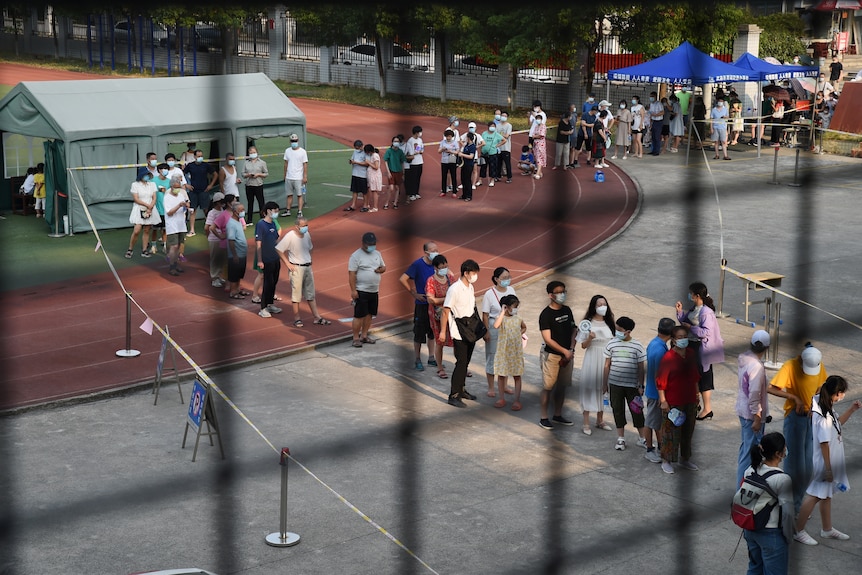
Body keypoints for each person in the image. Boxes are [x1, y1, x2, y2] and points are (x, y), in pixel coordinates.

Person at [794, 376, 862, 546]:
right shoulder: (823, 416)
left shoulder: (825, 406)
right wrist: (829, 469)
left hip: (829, 461)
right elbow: (824, 444)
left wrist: (851, 410)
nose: (843, 396)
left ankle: (827, 529)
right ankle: (797, 530)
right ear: (836, 393)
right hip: (825, 463)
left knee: (826, 495)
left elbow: (837, 425)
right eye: (842, 393)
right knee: (815, 495)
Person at [768, 344, 828, 512]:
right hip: (795, 419)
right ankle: (790, 509)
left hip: (811, 419)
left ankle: (797, 505)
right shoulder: (790, 366)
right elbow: (770, 388)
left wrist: (816, 405)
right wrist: (794, 397)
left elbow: (820, 387)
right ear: (801, 359)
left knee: (808, 467)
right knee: (794, 468)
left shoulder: (817, 364)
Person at [741, 432, 793, 574]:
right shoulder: (782, 479)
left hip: (750, 529)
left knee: (754, 569)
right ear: (778, 453)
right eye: (784, 448)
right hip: (771, 534)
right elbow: (787, 514)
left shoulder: (750, 470)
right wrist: (788, 537)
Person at [676, 281, 725, 421]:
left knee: (704, 377)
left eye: (691, 293)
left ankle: (707, 408)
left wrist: (690, 328)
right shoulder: (694, 309)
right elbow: (685, 321)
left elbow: (706, 332)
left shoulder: (706, 312)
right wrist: (680, 312)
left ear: (697, 295)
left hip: (700, 348)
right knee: (693, 376)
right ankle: (695, 403)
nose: (689, 295)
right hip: (691, 346)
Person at [656, 324, 701, 474]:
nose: (683, 340)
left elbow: (695, 375)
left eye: (685, 337)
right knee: (670, 432)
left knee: (688, 431)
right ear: (674, 340)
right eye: (679, 337)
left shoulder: (690, 353)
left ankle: (685, 458)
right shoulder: (668, 358)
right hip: (673, 402)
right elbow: (661, 382)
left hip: (689, 399)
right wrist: (663, 401)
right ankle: (666, 460)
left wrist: (697, 393)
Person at [438, 259, 481, 408]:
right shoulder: (454, 289)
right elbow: (446, 311)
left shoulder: (470, 287)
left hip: (471, 328)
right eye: (473, 273)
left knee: (466, 362)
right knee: (461, 363)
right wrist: (443, 331)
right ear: (466, 273)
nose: (475, 276)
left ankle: (462, 389)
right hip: (459, 331)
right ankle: (454, 395)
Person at [276, 216, 330, 327]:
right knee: (296, 295)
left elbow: (310, 247)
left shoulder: (307, 235)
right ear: (297, 227)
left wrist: (310, 259)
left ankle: (317, 317)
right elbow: (279, 249)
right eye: (303, 226)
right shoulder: (290, 236)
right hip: (296, 268)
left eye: (306, 225)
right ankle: (297, 318)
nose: (305, 228)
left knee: (310, 293)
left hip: (307, 267)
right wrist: (287, 263)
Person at [603, 316, 647, 451]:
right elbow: (607, 365)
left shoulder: (637, 346)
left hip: (632, 387)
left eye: (619, 330)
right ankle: (621, 438)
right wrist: (604, 384)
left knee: (637, 411)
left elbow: (641, 368)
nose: (617, 332)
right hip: (615, 385)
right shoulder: (611, 344)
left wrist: (641, 385)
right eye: (616, 329)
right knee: (617, 410)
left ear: (628, 331)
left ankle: (642, 439)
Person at [537, 280, 576, 429]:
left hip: (568, 356)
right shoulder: (545, 315)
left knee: (562, 386)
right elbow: (547, 339)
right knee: (548, 387)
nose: (562, 295)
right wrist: (564, 351)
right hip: (552, 356)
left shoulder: (567, 310)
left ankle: (558, 415)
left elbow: (574, 329)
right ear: (551, 295)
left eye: (563, 292)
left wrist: (571, 348)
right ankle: (544, 417)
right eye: (559, 292)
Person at [736, 330, 772, 488]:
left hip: (743, 411)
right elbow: (755, 393)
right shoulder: (756, 366)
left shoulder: (745, 358)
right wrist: (757, 417)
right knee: (749, 455)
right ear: (767, 348)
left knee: (746, 449)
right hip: (752, 415)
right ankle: (742, 488)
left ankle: (744, 485)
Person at [577, 295, 616, 435]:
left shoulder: (610, 322)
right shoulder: (587, 323)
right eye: (599, 304)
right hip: (592, 358)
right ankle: (586, 422)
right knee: (589, 388)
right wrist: (589, 338)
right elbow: (583, 345)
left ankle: (600, 420)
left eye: (604, 304)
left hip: (606, 360)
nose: (602, 307)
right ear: (593, 306)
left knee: (603, 388)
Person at [399, 242, 439, 371]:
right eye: (432, 250)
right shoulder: (417, 265)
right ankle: (417, 359)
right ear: (426, 252)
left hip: (433, 304)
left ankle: (431, 358)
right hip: (422, 305)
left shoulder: (437, 263)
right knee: (419, 333)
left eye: (436, 250)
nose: (435, 252)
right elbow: (403, 279)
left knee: (432, 332)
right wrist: (414, 293)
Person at [644, 318, 676, 464]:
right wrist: (661, 397)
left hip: (652, 390)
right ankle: (650, 449)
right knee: (652, 423)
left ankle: (656, 446)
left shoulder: (654, 343)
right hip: (655, 393)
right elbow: (660, 376)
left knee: (654, 422)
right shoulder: (661, 351)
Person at [481, 266, 516, 397]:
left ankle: (505, 385)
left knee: (506, 357)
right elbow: (485, 314)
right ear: (496, 279)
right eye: (504, 278)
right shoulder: (489, 294)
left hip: (508, 328)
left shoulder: (511, 290)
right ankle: (491, 387)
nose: (507, 280)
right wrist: (486, 331)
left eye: (509, 277)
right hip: (494, 328)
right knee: (492, 356)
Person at [348, 232, 386, 347]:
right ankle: (355, 337)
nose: (372, 246)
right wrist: (353, 290)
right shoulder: (356, 256)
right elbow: (352, 274)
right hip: (361, 290)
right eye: (370, 244)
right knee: (359, 315)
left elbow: (383, 267)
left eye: (374, 243)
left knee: (370, 314)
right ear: (363, 243)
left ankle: (364, 335)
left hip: (374, 290)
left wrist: (381, 270)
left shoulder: (377, 253)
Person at [492, 294, 526, 411]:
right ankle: (501, 398)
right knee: (501, 375)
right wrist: (502, 312)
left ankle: (517, 400)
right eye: (514, 307)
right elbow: (496, 325)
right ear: (506, 307)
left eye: (517, 307)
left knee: (517, 375)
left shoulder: (518, 319)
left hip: (515, 352)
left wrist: (519, 334)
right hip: (503, 351)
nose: (515, 309)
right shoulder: (501, 318)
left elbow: (524, 327)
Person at [426, 254, 456, 379]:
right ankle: (440, 367)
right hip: (437, 315)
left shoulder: (450, 278)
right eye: (442, 267)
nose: (445, 268)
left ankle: (461, 367)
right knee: (440, 340)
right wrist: (446, 299)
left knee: (457, 339)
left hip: (451, 313)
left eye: (446, 266)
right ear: (436, 268)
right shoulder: (431, 281)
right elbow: (430, 300)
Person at [255, 201, 284, 318]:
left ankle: (270, 303)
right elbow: (258, 244)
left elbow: (276, 239)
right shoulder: (261, 224)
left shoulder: (273, 223)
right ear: (268, 211)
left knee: (274, 282)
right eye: (275, 211)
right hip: (266, 259)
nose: (276, 213)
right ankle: (263, 308)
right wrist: (260, 260)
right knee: (268, 283)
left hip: (275, 258)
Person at [125, 167, 161, 259]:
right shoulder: (135, 185)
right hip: (139, 209)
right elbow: (136, 199)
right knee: (137, 230)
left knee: (147, 230)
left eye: (148, 175)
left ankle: (144, 250)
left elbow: (154, 198)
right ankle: (130, 249)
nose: (147, 176)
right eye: (145, 175)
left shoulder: (152, 184)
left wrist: (150, 207)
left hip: (150, 209)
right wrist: (147, 205)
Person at [183, 149, 217, 236]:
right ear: (194, 157)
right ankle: (192, 230)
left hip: (204, 191)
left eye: (201, 156)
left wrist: (211, 185)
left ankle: (210, 228)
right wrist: (186, 185)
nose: (200, 158)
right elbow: (182, 174)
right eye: (198, 156)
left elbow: (215, 174)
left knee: (207, 210)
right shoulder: (190, 166)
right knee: (192, 211)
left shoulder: (206, 165)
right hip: (193, 191)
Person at [163, 174, 190, 277]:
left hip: (181, 223)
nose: (178, 190)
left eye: (179, 187)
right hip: (172, 225)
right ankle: (172, 266)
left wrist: (186, 206)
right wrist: (179, 205)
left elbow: (185, 206)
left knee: (179, 245)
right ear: (171, 187)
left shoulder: (181, 195)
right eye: (176, 188)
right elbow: (169, 212)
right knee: (173, 246)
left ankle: (176, 263)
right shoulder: (167, 197)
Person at [225, 201, 249, 300]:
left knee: (239, 273)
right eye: (241, 210)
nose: (243, 212)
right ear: (235, 212)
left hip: (242, 253)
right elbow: (231, 240)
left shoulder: (238, 221)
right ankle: (233, 291)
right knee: (234, 274)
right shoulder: (231, 224)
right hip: (236, 254)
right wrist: (234, 255)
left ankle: (238, 289)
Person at [203, 192, 227, 288]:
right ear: (217, 202)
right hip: (214, 238)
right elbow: (207, 227)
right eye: (221, 202)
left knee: (221, 258)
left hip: (222, 239)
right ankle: (214, 278)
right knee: (214, 259)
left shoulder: (222, 211)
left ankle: (219, 275)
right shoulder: (212, 213)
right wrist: (209, 236)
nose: (223, 204)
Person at [283, 133, 308, 218]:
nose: (294, 142)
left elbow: (305, 164)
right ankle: (288, 210)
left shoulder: (303, 152)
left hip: (298, 177)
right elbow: (286, 163)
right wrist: (285, 175)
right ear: (290, 141)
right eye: (292, 141)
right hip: (289, 177)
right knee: (289, 194)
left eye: (295, 141)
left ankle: (300, 211)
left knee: (299, 195)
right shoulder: (287, 151)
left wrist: (304, 176)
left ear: (298, 141)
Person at [242, 145, 268, 223]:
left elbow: (266, 173)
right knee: (250, 203)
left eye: (254, 152)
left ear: (257, 152)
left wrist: (259, 174)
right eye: (251, 152)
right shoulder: (246, 163)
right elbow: (243, 174)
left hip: (258, 185)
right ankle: (249, 220)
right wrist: (248, 175)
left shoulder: (262, 163)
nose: (252, 154)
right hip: (249, 185)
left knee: (261, 202)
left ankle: (263, 218)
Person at [382, 136, 406, 209]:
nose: (396, 143)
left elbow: (402, 162)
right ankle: (386, 203)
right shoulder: (389, 151)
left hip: (399, 171)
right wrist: (388, 172)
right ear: (392, 142)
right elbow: (386, 161)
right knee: (391, 188)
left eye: (398, 141)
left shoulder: (400, 151)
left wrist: (403, 173)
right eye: (395, 141)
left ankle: (395, 203)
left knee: (397, 187)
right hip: (391, 171)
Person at [345, 140, 369, 212]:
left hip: (363, 175)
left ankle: (365, 205)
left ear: (362, 146)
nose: (357, 149)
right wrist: (351, 161)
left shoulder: (366, 152)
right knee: (354, 190)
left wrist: (356, 162)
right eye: (356, 148)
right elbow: (352, 158)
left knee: (364, 191)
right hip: (355, 173)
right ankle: (353, 205)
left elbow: (367, 163)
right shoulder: (355, 152)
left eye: (358, 148)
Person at [479, 121, 505, 186]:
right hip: (484, 153)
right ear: (488, 127)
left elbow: (504, 140)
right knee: (483, 167)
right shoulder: (484, 133)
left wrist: (498, 145)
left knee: (492, 167)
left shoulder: (497, 134)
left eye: (493, 126)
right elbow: (481, 142)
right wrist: (480, 151)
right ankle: (480, 180)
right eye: (491, 126)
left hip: (493, 153)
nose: (492, 128)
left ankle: (492, 180)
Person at [405, 125, 424, 202]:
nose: (420, 133)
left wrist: (420, 151)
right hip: (413, 163)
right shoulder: (410, 141)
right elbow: (410, 152)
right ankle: (411, 194)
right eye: (419, 132)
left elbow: (421, 148)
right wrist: (416, 152)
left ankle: (416, 192)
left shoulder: (420, 140)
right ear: (416, 133)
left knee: (418, 178)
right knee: (412, 179)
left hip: (420, 161)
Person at [438, 129, 459, 196]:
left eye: (449, 136)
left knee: (453, 175)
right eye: (447, 136)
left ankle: (454, 191)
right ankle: (443, 190)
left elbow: (457, 152)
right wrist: (442, 149)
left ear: (452, 136)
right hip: (444, 160)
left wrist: (451, 151)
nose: (448, 138)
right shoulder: (442, 142)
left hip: (452, 158)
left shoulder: (455, 143)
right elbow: (438, 151)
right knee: (444, 176)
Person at [457, 133, 477, 201]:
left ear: (469, 138)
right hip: (464, 164)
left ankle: (469, 196)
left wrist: (462, 154)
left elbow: (471, 156)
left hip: (469, 165)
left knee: (467, 180)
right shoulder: (466, 145)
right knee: (463, 180)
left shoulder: (473, 146)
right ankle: (464, 195)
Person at [364, 144, 382, 212]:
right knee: (371, 190)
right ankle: (369, 205)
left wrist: (368, 162)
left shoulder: (375, 156)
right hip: (371, 175)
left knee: (374, 191)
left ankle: (375, 207)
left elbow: (376, 167)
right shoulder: (372, 155)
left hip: (375, 175)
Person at [530, 110, 547, 179]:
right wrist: (535, 136)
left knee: (540, 158)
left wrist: (535, 136)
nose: (538, 120)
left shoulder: (543, 126)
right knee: (537, 157)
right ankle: (540, 172)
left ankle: (537, 173)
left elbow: (541, 135)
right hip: (535, 144)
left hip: (541, 144)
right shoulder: (536, 127)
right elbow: (533, 134)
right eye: (537, 119)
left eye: (539, 119)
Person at [497, 111, 513, 183]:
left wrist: (500, 135)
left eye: (505, 116)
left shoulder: (509, 125)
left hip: (506, 147)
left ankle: (509, 177)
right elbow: (496, 135)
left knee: (507, 163)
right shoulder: (497, 125)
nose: (503, 117)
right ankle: (498, 176)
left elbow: (507, 135)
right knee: (498, 163)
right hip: (499, 147)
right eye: (502, 115)